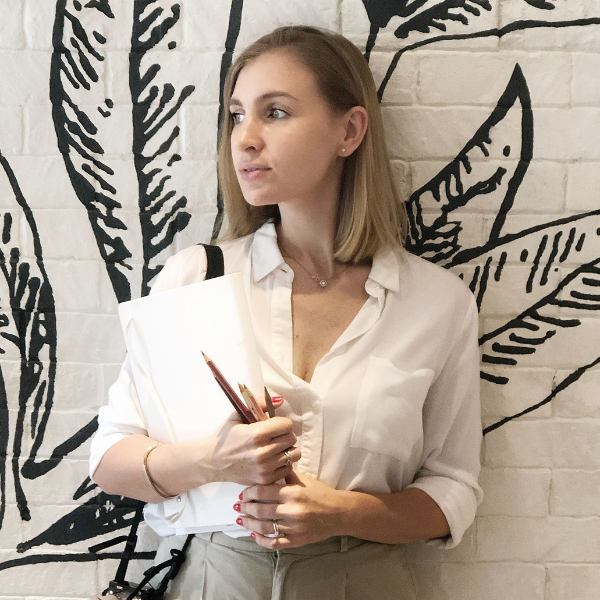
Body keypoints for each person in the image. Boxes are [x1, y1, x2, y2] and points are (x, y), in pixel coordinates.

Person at [90, 25, 482, 600]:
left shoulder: (436, 303)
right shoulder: (195, 278)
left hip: (365, 582)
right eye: (236, 115)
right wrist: (215, 461)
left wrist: (340, 511)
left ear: (349, 131)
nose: (245, 139)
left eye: (274, 113)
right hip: (215, 581)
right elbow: (110, 458)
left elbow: (452, 490)